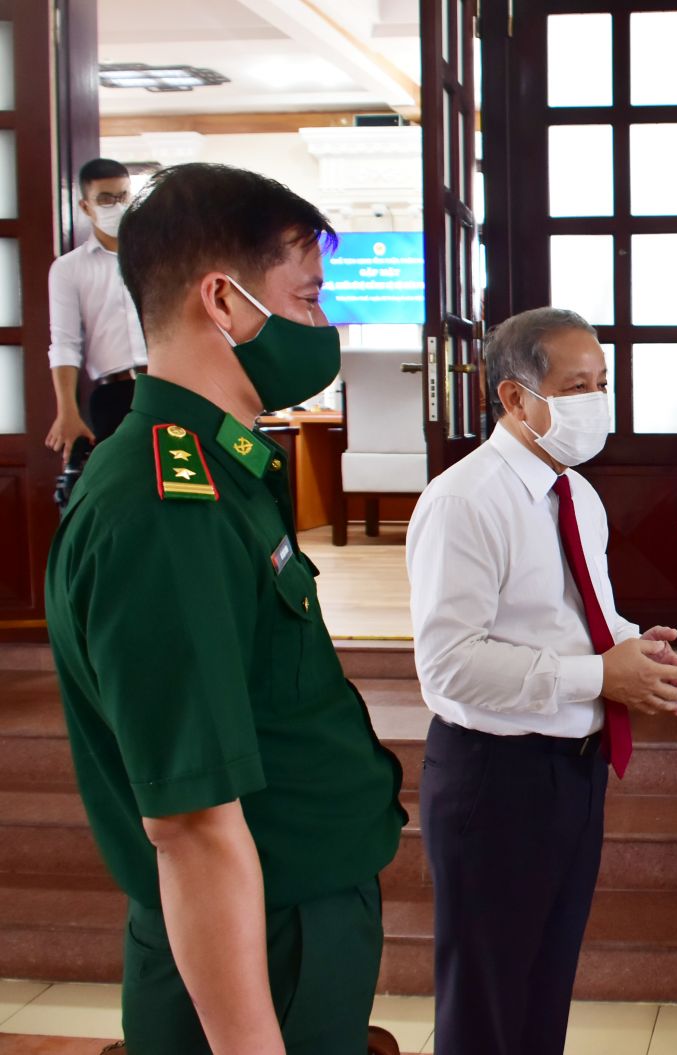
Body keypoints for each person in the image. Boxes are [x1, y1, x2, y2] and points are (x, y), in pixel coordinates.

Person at [44, 163, 406, 1054]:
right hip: (257, 946)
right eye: (308, 298)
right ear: (224, 302)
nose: (323, 324)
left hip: (290, 920)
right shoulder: (166, 507)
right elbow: (193, 824)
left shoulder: (220, 468)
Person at [408, 307, 677, 1055]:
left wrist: (634, 649)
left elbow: (578, 615)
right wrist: (600, 674)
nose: (596, 402)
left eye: (602, 383)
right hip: (495, 777)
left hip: (572, 771)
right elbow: (449, 662)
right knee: (488, 1001)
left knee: (544, 984)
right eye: (576, 387)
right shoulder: (465, 500)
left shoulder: (576, 493)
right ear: (515, 398)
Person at [46, 158, 148, 459]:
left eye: (122, 196)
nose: (116, 206)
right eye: (105, 199)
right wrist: (67, 411)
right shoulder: (68, 268)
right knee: (121, 476)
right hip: (113, 394)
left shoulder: (157, 257)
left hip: (164, 385)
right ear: (85, 206)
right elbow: (65, 344)